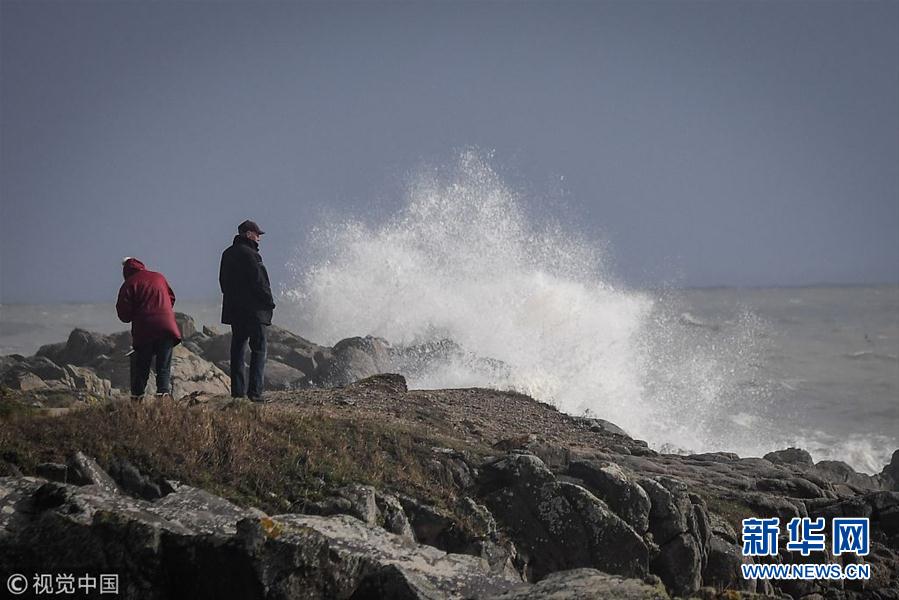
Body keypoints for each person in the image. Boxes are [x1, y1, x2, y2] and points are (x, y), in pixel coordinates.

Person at [219, 220, 275, 401]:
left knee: (237, 350)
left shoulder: (227, 254)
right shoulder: (251, 255)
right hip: (255, 311)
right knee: (258, 350)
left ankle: (237, 392)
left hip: (235, 311)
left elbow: (223, 283)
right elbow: (260, 282)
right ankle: (255, 393)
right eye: (257, 234)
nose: (259, 239)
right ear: (249, 234)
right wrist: (269, 301)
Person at [116, 257, 182, 401]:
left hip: (145, 330)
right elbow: (171, 297)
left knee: (142, 366)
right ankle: (163, 397)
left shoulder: (129, 284)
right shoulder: (159, 277)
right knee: (164, 365)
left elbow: (124, 314)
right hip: (166, 327)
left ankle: (137, 398)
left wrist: (137, 314)